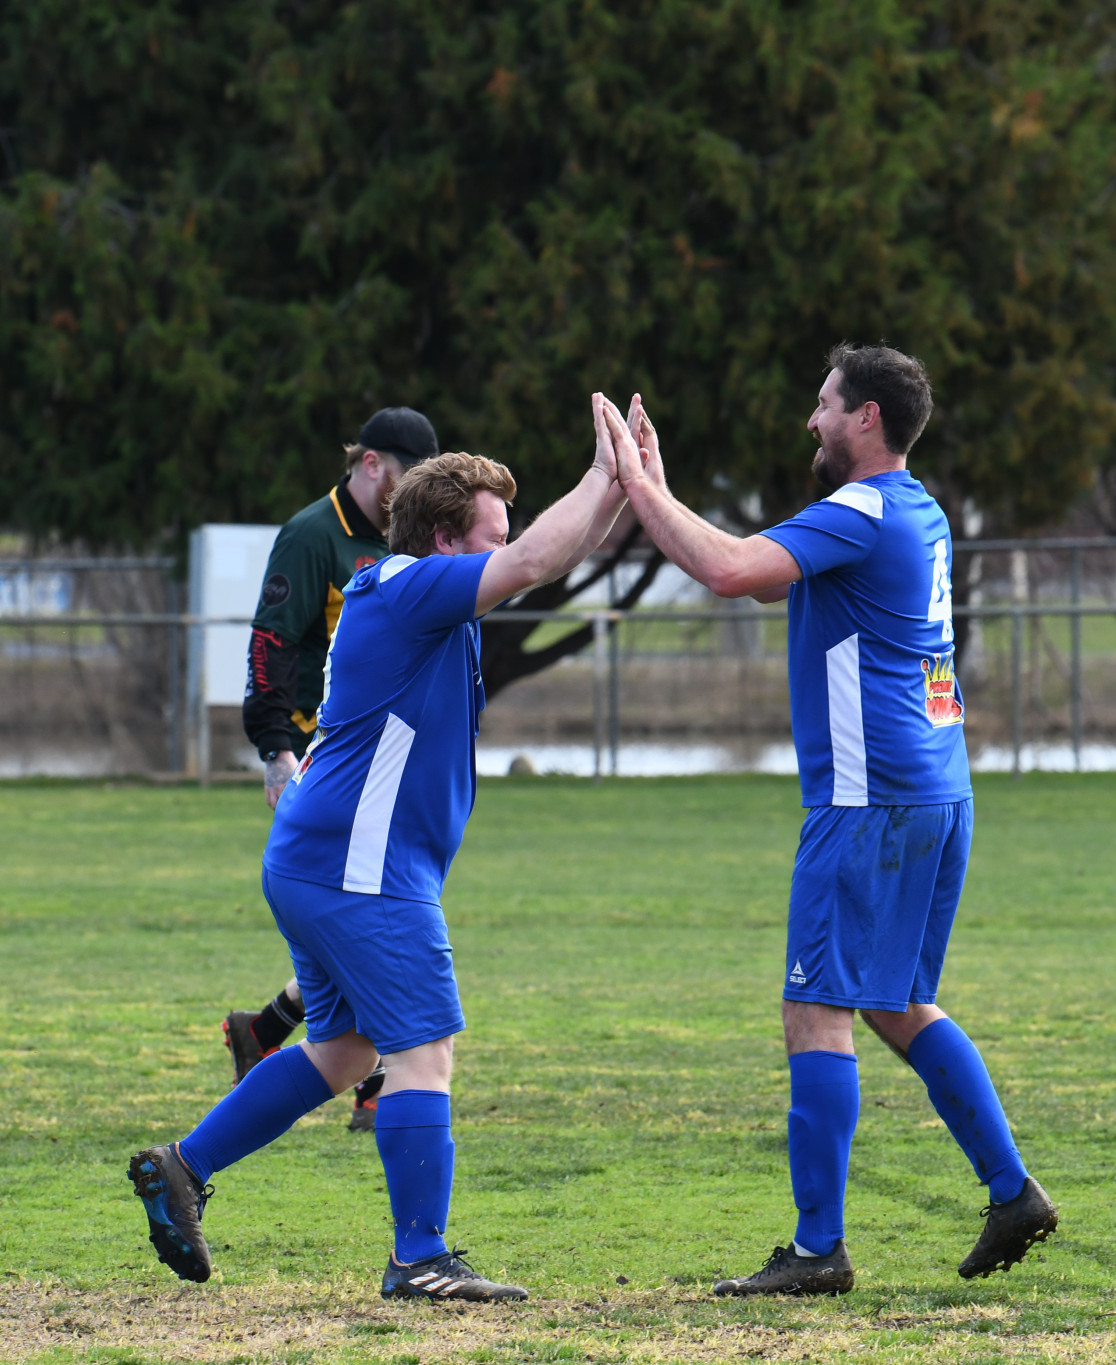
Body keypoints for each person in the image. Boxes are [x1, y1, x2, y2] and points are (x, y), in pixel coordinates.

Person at [131, 399, 630, 1301]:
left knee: (348, 1049)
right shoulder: (408, 587)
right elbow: (533, 561)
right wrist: (602, 475)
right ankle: (419, 1257)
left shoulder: (413, 591)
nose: (504, 548)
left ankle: (183, 1166)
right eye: (488, 533)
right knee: (425, 1045)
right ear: (444, 542)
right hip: (360, 869)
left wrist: (626, 483)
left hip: (323, 859)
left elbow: (546, 555)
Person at [598, 346, 1058, 1295]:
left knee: (816, 1007)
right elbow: (765, 575)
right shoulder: (912, 509)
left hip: (867, 800)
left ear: (867, 420)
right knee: (894, 1001)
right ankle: (1013, 1193)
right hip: (936, 789)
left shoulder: (860, 508)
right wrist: (665, 488)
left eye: (823, 405)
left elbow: (725, 572)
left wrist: (634, 483)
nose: (810, 421)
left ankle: (818, 1249)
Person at [226, 406, 439, 1131]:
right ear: (372, 463)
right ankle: (377, 1077)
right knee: (373, 914)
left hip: (378, 768)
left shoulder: (402, 539)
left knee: (370, 913)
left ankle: (267, 1030)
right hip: (323, 764)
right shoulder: (313, 534)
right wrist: (275, 750)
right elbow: (269, 644)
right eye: (413, 476)